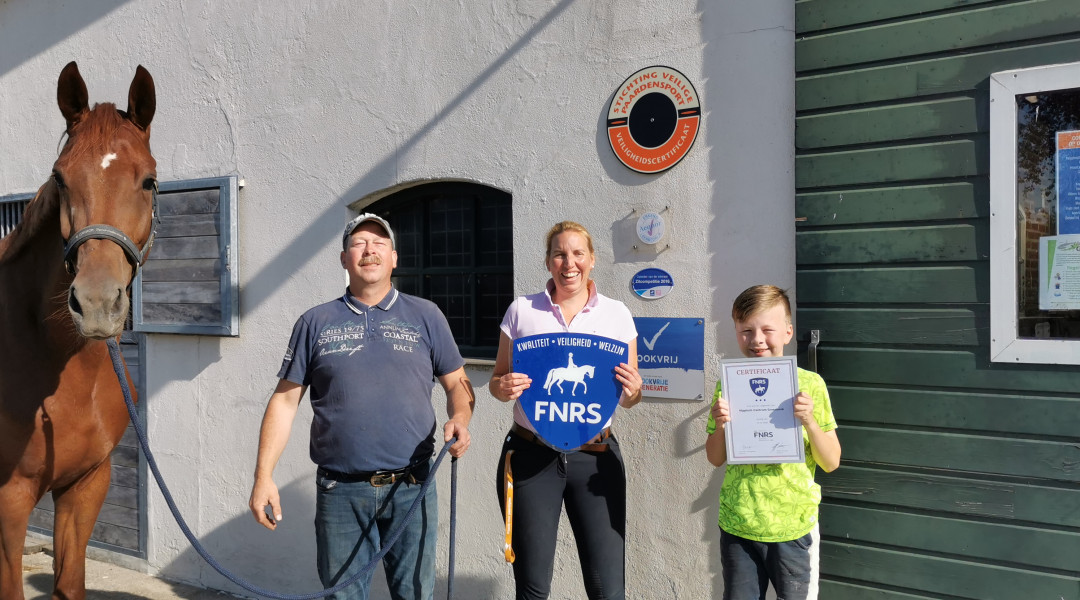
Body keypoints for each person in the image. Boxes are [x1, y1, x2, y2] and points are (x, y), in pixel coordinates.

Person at [249, 213, 475, 600]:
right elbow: (284, 402)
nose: (369, 250)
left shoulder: (426, 316)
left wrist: (460, 417)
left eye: (379, 243)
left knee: (415, 594)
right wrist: (263, 476)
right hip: (340, 493)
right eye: (358, 243)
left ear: (394, 258)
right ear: (343, 258)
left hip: (412, 487)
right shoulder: (314, 322)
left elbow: (458, 384)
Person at [489, 220, 643, 600]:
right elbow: (497, 380)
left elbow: (629, 395)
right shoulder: (522, 310)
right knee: (532, 588)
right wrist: (503, 387)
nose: (569, 263)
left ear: (592, 259)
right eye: (559, 254)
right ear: (548, 261)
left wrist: (634, 391)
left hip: (595, 455)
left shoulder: (617, 314)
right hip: (531, 455)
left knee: (608, 589)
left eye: (577, 253)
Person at [705, 285, 841, 600]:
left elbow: (831, 461)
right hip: (739, 523)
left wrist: (809, 421)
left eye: (767, 330)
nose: (757, 340)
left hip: (793, 526)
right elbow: (715, 458)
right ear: (736, 332)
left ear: (788, 332)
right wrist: (721, 426)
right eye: (746, 331)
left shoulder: (810, 385)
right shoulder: (728, 385)